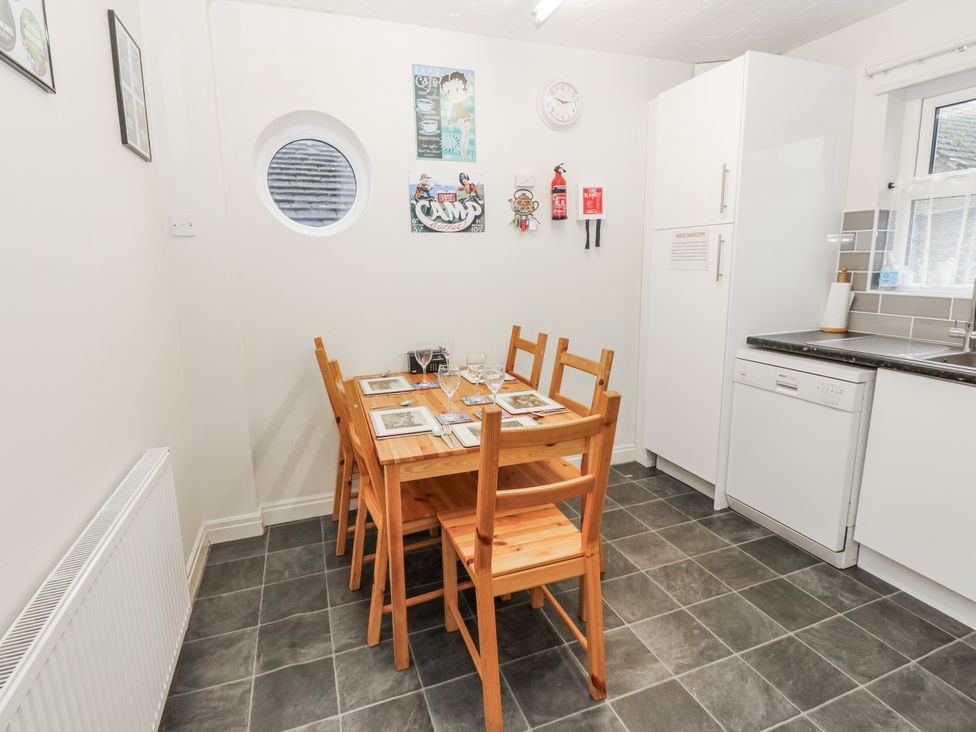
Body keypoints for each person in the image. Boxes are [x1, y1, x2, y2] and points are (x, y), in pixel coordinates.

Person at [440, 70, 473, 157]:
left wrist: (470, 84)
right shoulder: (452, 101)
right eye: (449, 92)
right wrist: (449, 121)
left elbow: (469, 93)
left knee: (468, 134)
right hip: (459, 115)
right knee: (464, 133)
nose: (453, 93)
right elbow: (448, 110)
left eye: (457, 89)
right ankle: (461, 150)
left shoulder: (462, 97)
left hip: (466, 114)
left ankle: (465, 152)